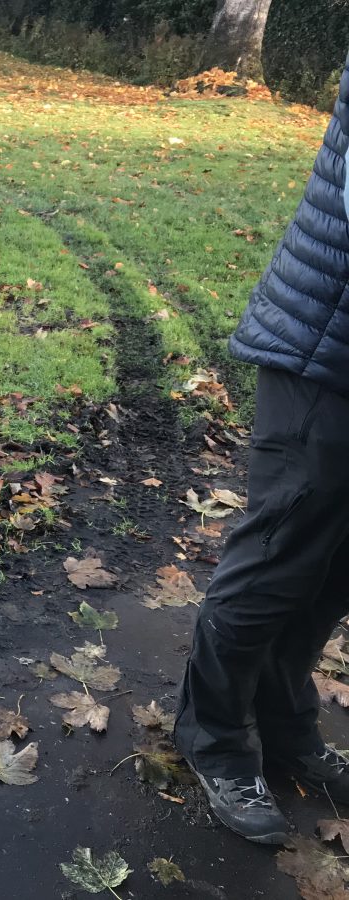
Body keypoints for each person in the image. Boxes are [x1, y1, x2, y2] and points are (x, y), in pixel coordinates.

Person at [175, 58, 349, 846]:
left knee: (335, 568)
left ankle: (284, 723)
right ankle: (212, 736)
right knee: (278, 557)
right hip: (325, 350)